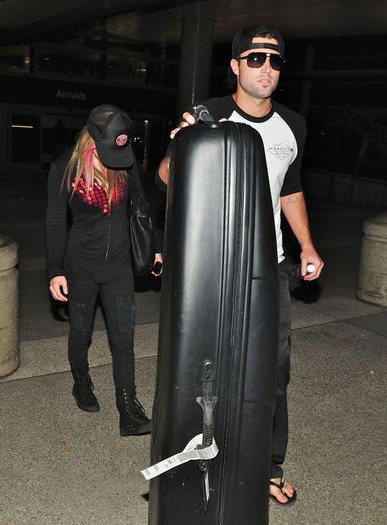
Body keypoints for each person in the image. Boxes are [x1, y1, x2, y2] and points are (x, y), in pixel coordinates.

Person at [157, 26, 324, 504]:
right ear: (234, 65)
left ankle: (268, 465)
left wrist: (306, 246)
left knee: (273, 369)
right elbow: (167, 177)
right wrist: (183, 142)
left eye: (274, 61)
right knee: (201, 365)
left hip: (268, 267)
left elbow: (290, 189)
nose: (266, 68)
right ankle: (201, 455)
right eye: (255, 59)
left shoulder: (292, 123)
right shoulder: (209, 114)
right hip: (212, 267)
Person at [46, 104, 162, 436]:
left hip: (120, 266)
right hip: (80, 265)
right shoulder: (64, 168)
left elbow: (140, 208)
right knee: (80, 333)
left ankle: (128, 409)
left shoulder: (124, 162)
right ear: (93, 139)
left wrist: (154, 247)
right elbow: (55, 222)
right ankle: (81, 383)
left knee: (123, 339)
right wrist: (55, 270)